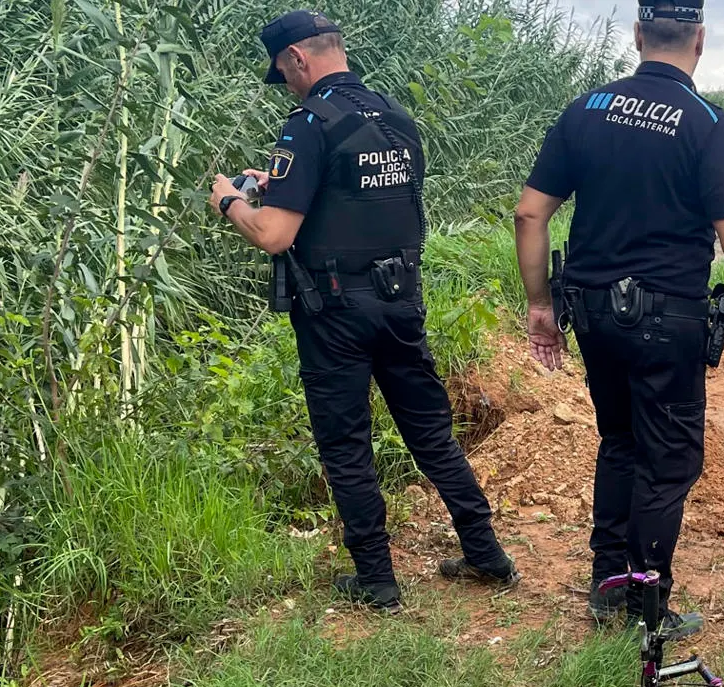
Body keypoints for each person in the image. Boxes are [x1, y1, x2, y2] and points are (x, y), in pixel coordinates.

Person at [210, 10, 517, 612]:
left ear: (298, 58)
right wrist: (278, 184)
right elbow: (363, 202)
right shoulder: (399, 120)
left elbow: (273, 235)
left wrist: (231, 201)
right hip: (401, 299)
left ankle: (377, 580)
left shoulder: (308, 126)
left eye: (285, 72)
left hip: (335, 310)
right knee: (432, 435)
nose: (289, 85)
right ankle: (486, 554)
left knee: (346, 443)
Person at [514, 0, 724, 638]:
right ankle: (646, 606)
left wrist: (540, 306)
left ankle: (606, 585)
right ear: (699, 38)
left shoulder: (585, 111)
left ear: (639, 33)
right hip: (664, 318)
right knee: (669, 462)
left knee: (619, 441)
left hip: (590, 312)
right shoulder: (705, 124)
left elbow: (530, 214)